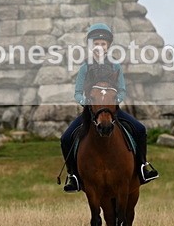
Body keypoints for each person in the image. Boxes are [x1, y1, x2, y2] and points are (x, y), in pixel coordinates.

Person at [59, 23, 159, 192]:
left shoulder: (116, 66)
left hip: (113, 111)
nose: (99, 47)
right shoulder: (85, 68)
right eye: (96, 44)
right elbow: (77, 93)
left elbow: (122, 90)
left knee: (140, 129)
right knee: (66, 138)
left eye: (103, 44)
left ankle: (143, 167)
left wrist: (112, 102)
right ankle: (73, 175)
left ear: (108, 46)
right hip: (90, 112)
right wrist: (89, 103)